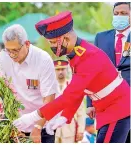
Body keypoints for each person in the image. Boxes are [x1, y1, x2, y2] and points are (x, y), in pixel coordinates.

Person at [13, 11, 130, 143]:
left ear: (65, 38)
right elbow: (79, 92)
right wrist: (65, 116)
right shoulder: (78, 55)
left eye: (52, 42)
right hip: (109, 110)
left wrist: (34, 116)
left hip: (116, 110)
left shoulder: (88, 57)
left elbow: (70, 95)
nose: (51, 46)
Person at [0, 24, 58, 143]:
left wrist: (38, 127)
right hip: (16, 126)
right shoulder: (3, 57)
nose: (12, 55)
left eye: (15, 50)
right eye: (8, 50)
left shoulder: (43, 60)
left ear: (27, 44)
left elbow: (49, 99)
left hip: (42, 126)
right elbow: (2, 90)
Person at [86, 2, 130, 142]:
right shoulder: (101, 38)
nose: (119, 16)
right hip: (106, 103)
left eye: (124, 13)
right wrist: (89, 104)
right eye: (116, 13)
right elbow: (92, 72)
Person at [51, 57, 85, 143]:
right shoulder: (49, 87)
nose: (60, 72)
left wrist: (80, 130)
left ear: (67, 70)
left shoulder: (74, 86)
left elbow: (80, 111)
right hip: (52, 128)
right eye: (57, 70)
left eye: (63, 69)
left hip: (69, 129)